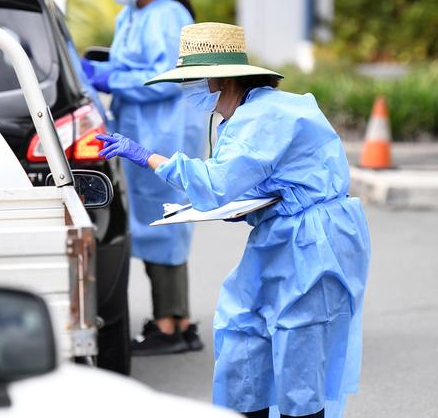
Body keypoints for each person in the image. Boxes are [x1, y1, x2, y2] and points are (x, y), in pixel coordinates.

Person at [95, 22, 371, 418]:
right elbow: (259, 179)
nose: (191, 88)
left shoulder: (263, 116)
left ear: (221, 80)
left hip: (313, 242)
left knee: (299, 347)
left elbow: (216, 183)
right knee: (243, 330)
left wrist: (147, 156)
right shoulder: (247, 113)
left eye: (196, 79)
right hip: (282, 233)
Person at [82, 0, 207, 355]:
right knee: (153, 225)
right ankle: (174, 319)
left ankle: (173, 326)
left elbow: (165, 78)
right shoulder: (131, 15)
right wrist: (101, 68)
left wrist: (108, 79)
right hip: (140, 131)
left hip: (167, 130)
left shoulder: (169, 15)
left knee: (168, 223)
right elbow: (126, 61)